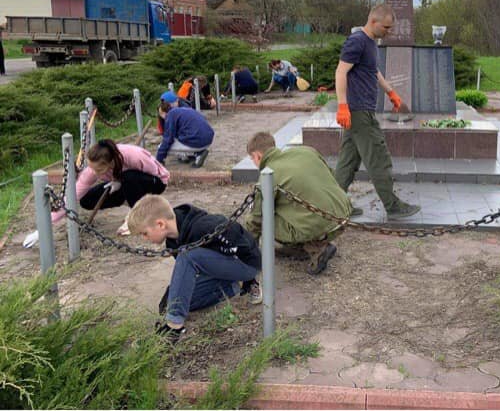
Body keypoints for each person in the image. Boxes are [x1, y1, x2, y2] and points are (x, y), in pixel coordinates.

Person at [127, 194, 262, 343]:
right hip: (219, 271)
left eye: (144, 233)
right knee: (169, 303)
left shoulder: (204, 225)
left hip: (245, 264)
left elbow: (243, 241)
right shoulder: (172, 243)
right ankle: (233, 286)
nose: (144, 238)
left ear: (160, 224)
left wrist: (248, 275)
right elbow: (191, 272)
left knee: (188, 256)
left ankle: (174, 328)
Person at [333, 3, 420, 219]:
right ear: (374, 22)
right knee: (378, 157)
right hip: (359, 111)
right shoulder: (357, 41)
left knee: (347, 162)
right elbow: (341, 72)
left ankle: (333, 205)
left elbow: (373, 71)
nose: (389, 32)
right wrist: (342, 105)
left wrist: (391, 92)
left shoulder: (371, 42)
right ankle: (393, 206)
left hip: (361, 110)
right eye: (387, 27)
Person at [23, 139, 170, 247]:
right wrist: (42, 228)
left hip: (156, 182)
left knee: (129, 177)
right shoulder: (93, 170)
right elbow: (71, 198)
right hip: (124, 183)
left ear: (110, 162)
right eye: (92, 169)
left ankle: (136, 216)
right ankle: (128, 196)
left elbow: (157, 175)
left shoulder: (133, 155)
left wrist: (123, 181)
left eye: (99, 170)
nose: (95, 173)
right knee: (87, 199)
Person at [246, 132, 352, 275]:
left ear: (257, 156)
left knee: (266, 222)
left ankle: (315, 248)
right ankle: (310, 243)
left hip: (320, 224)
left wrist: (246, 247)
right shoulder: (305, 151)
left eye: (252, 159)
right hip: (343, 215)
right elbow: (331, 175)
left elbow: (257, 219)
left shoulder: (268, 174)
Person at [156, 94, 215, 168]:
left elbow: (168, 139)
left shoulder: (170, 116)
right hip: (209, 138)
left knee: (162, 145)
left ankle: (193, 154)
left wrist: (158, 159)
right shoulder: (183, 109)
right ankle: (195, 153)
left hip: (198, 141)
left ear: (163, 113)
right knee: (179, 136)